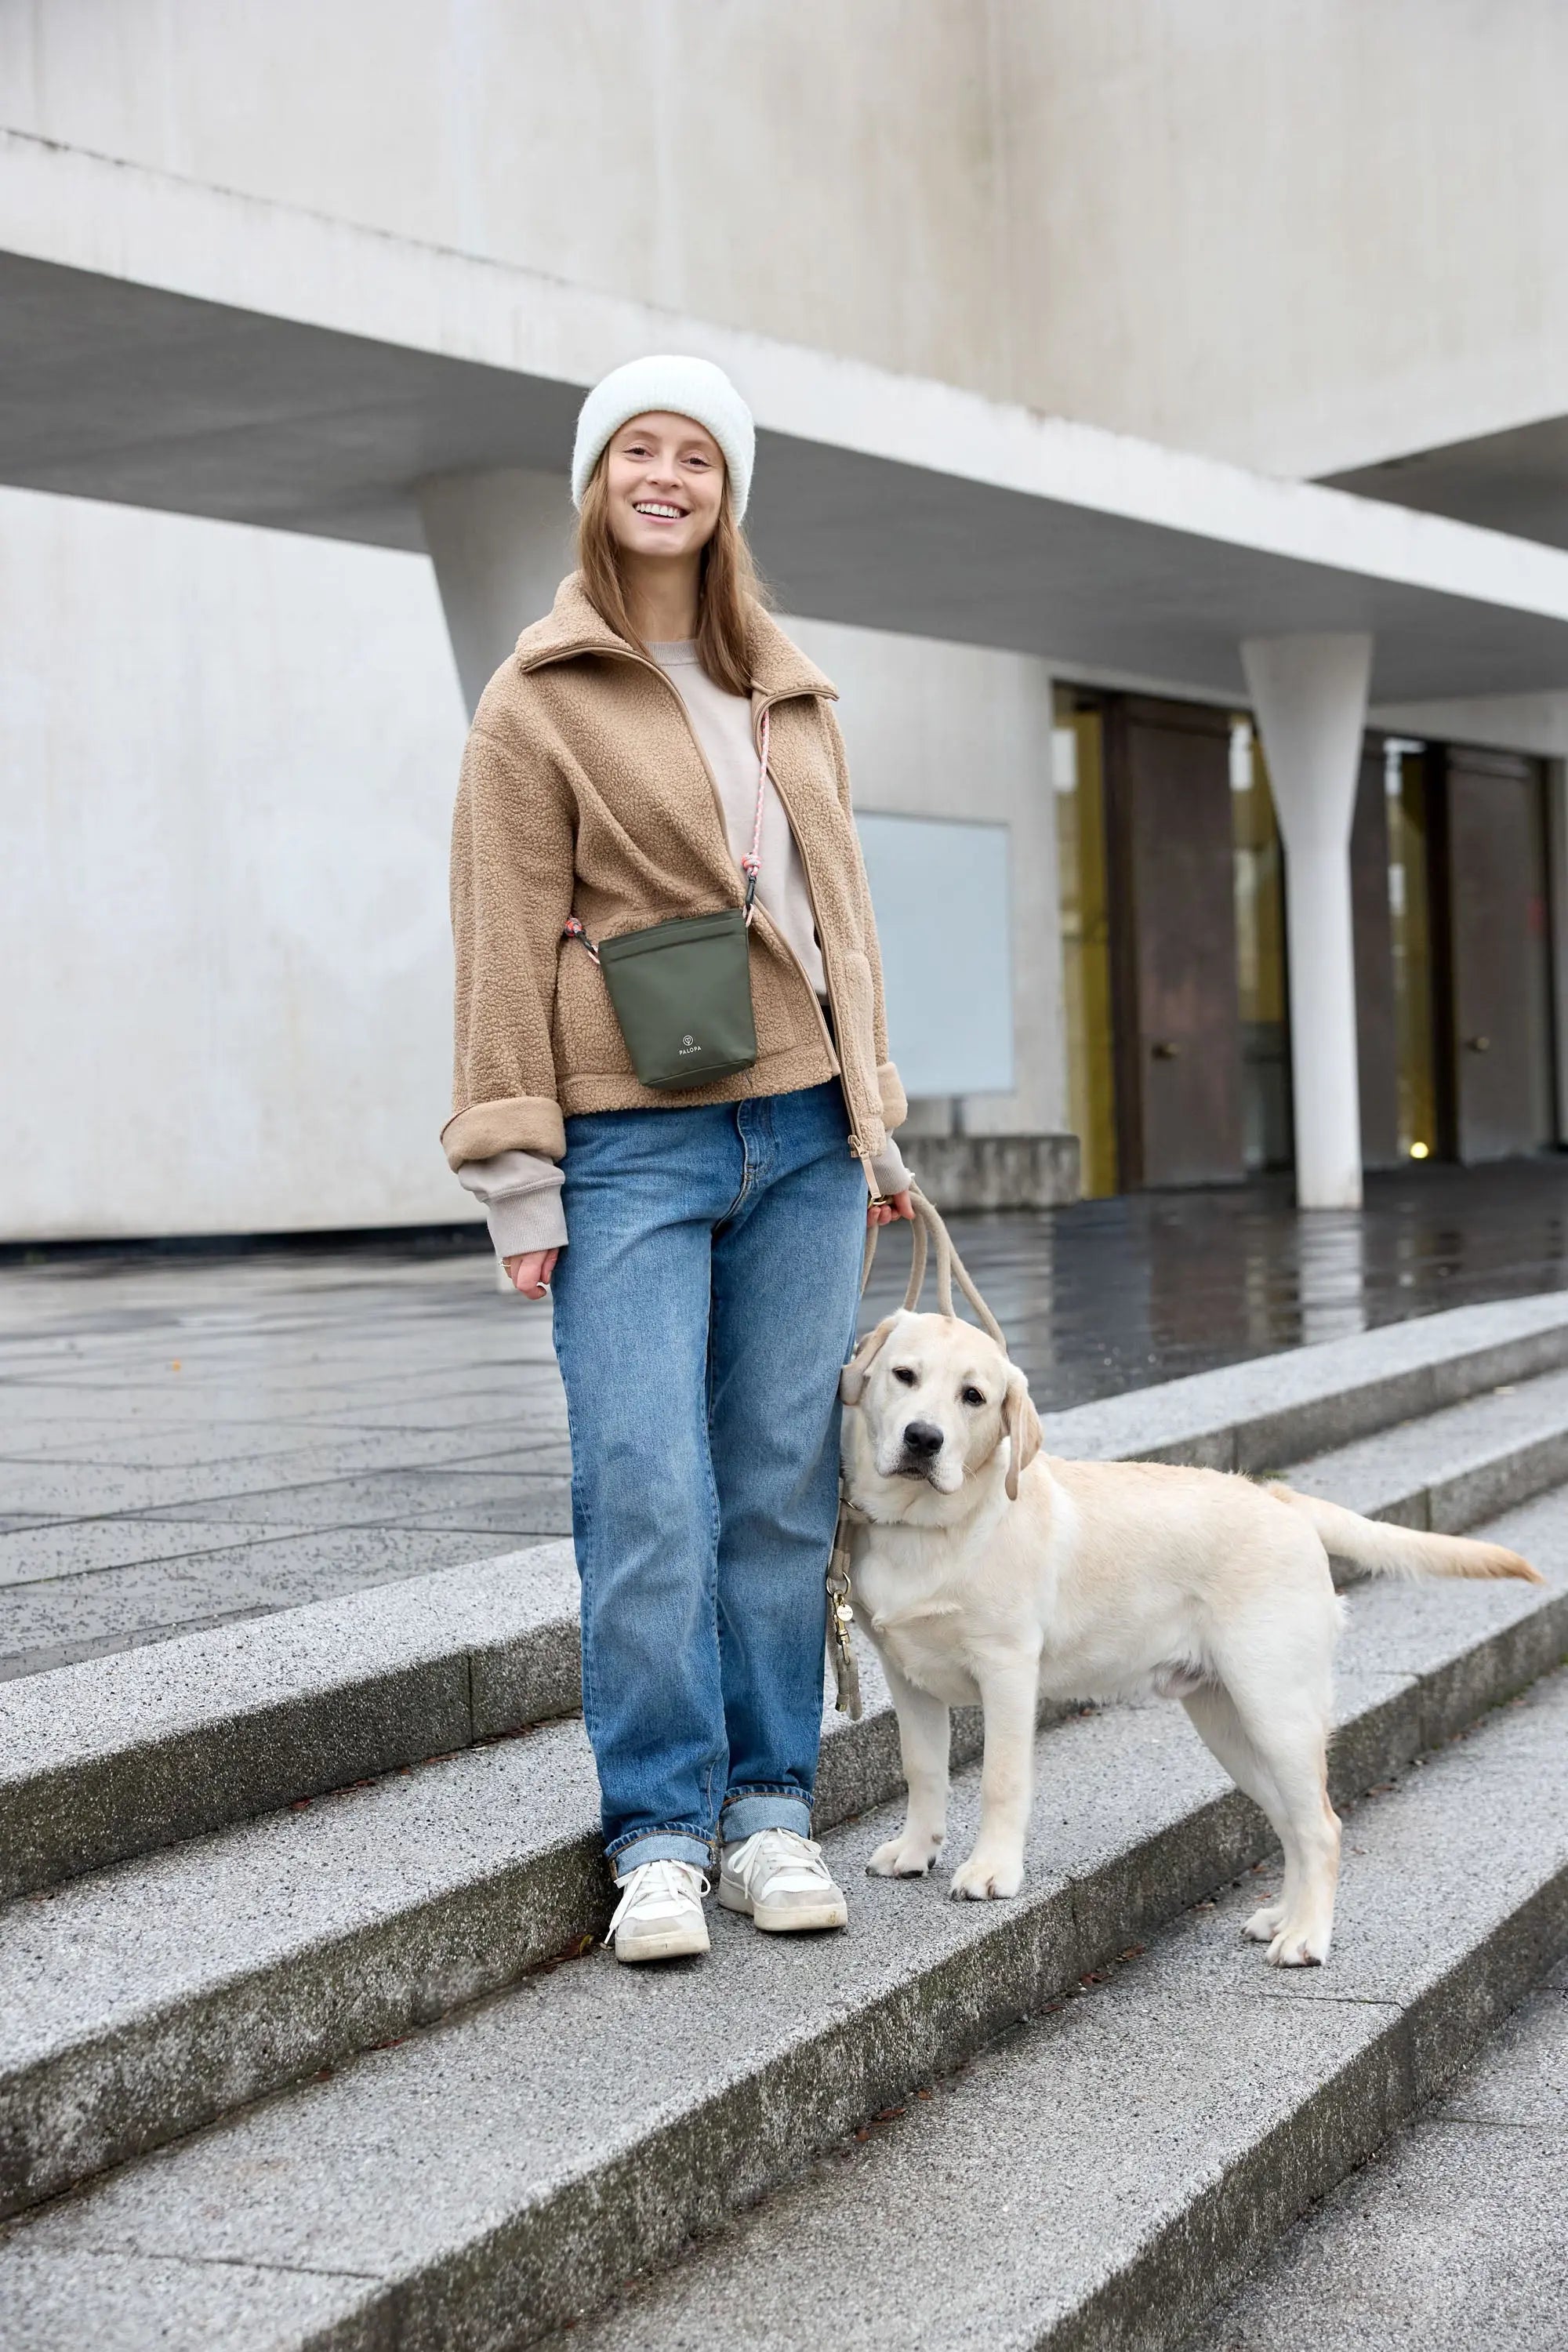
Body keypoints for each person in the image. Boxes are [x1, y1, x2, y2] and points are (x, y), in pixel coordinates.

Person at [444, 354, 913, 1962]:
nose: (665, 475)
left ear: (727, 494)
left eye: (694, 456)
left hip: (802, 1135)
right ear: (597, 482)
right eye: (636, 450)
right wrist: (517, 1173)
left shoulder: (791, 689)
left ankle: (772, 1815)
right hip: (627, 1146)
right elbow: (498, 944)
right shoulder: (537, 698)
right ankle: (657, 1830)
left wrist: (871, 1116)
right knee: (646, 1488)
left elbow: (840, 918)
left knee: (780, 1490)